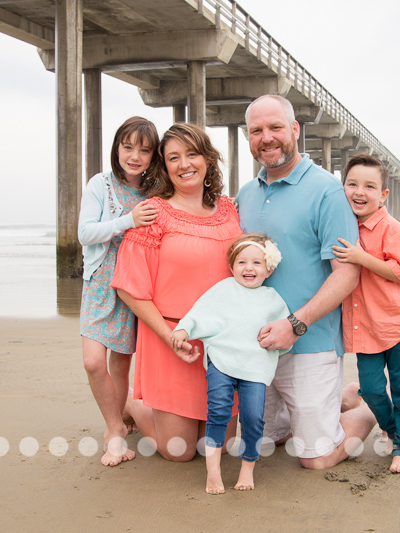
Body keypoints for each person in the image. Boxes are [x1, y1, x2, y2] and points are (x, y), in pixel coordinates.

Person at [236, 94, 377, 470]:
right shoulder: (246, 194)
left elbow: (347, 274)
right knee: (263, 443)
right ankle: (335, 400)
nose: (266, 138)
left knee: (316, 459)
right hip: (257, 345)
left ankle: (368, 410)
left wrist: (295, 324)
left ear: (295, 129)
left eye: (275, 127)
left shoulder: (327, 191)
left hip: (309, 341)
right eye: (256, 130)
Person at [112, 123, 243, 462]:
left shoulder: (230, 211)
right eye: (173, 157)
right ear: (165, 166)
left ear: (207, 159)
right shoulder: (154, 213)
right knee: (179, 452)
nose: (184, 164)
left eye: (192, 154)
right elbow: (129, 288)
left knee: (221, 448)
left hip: (222, 345)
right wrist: (169, 336)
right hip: (171, 339)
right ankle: (133, 405)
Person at [171, 233, 289, 494]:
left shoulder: (273, 299)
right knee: (218, 412)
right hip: (222, 360)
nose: (249, 268)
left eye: (257, 263)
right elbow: (199, 313)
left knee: (253, 417)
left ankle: (247, 469)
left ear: (269, 269)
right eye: (242, 262)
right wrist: (183, 330)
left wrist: (278, 344)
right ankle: (213, 472)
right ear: (232, 266)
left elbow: (284, 335)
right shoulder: (223, 289)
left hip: (255, 366)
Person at [332, 153, 400, 473]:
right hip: (366, 325)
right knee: (370, 388)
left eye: (369, 186)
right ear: (342, 187)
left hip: (399, 325)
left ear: (383, 194)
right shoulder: (346, 226)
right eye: (352, 184)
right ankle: (392, 428)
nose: (360, 192)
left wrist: (361, 257)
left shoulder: (392, 229)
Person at [78, 116, 160, 467]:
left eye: (144, 150)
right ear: (117, 148)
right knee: (93, 361)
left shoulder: (154, 192)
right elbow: (85, 233)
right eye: (128, 147)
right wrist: (128, 220)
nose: (135, 156)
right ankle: (114, 426)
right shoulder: (102, 184)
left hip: (133, 285)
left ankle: (118, 423)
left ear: (153, 155)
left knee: (121, 362)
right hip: (100, 282)